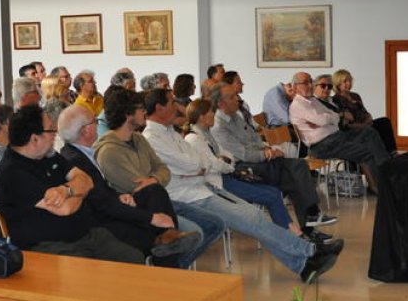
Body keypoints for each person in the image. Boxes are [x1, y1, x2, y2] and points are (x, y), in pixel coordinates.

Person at [142, 88, 344, 281]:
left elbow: (199, 162)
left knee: (255, 217)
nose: (177, 107)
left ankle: (304, 265)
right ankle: (309, 252)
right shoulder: (153, 137)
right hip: (188, 197)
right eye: (171, 102)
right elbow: (194, 162)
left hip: (202, 188)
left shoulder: (171, 133)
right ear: (159, 108)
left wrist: (198, 166)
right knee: (252, 217)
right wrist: (199, 166)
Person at [0, 105, 145, 264]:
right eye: (51, 130)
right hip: (47, 246)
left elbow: (87, 179)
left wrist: (66, 190)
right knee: (90, 272)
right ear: (34, 138)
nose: (55, 135)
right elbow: (66, 209)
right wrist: (80, 191)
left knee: (133, 258)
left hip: (86, 235)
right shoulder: (12, 172)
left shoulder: (49, 155)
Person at [58, 104, 203, 266]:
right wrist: (152, 218)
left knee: (153, 190)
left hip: (110, 206)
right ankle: (167, 253)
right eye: (95, 122)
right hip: (100, 222)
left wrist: (120, 196)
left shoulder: (83, 153)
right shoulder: (74, 160)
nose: (98, 125)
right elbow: (102, 204)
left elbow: (104, 192)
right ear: (85, 130)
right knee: (154, 227)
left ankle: (168, 238)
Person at [212, 85, 335, 228]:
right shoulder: (218, 126)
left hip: (260, 161)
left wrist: (267, 148)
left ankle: (310, 221)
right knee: (294, 176)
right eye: (232, 97)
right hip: (244, 169)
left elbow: (254, 138)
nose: (237, 100)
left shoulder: (235, 117)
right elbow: (243, 154)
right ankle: (311, 220)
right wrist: (265, 154)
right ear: (221, 103)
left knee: (298, 168)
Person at [184, 99, 302, 236]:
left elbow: (228, 156)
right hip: (219, 184)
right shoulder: (194, 139)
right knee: (271, 195)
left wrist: (225, 162)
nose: (214, 116)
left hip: (228, 177)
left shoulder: (208, 134)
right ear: (201, 116)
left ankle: (293, 232)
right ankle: (293, 234)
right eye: (211, 112)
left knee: (274, 191)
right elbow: (215, 165)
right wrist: (227, 164)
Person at [289, 72, 389, 191]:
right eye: (305, 83)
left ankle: (388, 167)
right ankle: (379, 189)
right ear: (295, 87)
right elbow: (323, 119)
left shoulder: (313, 101)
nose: (310, 85)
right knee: (367, 153)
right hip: (322, 145)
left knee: (368, 132)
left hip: (336, 136)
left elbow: (334, 116)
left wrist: (327, 118)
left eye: (310, 81)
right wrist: (326, 118)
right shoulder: (298, 105)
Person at [332, 69, 395, 153]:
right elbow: (346, 124)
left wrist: (368, 118)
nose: (349, 83)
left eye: (350, 80)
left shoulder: (355, 95)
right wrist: (363, 125)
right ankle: (381, 156)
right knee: (371, 131)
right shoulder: (336, 99)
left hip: (365, 124)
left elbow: (365, 112)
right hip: (353, 129)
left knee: (384, 121)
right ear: (338, 84)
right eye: (345, 81)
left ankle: (392, 152)